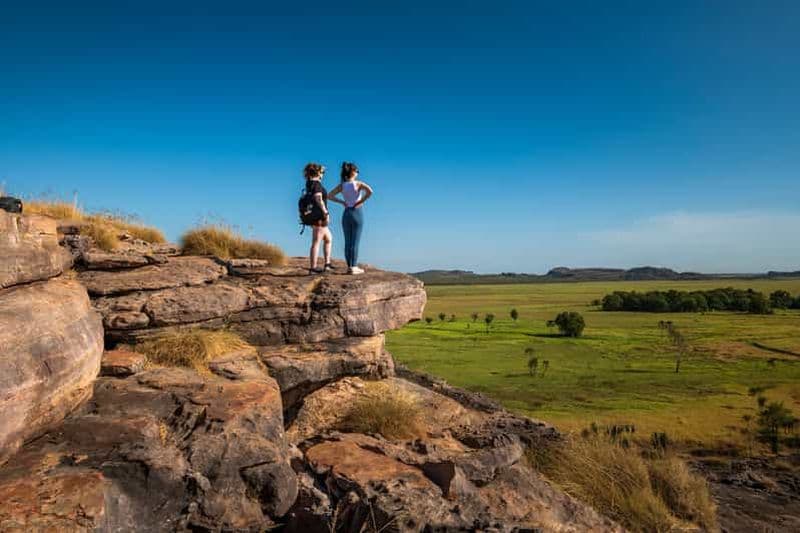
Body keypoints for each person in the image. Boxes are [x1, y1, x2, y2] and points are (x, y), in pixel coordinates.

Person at [328, 161, 373, 274]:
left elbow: (329, 196)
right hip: (357, 212)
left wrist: (342, 202)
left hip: (346, 213)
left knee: (347, 241)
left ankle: (349, 266)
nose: (358, 172)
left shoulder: (342, 185)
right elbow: (370, 191)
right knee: (355, 241)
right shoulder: (358, 184)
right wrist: (361, 201)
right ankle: (353, 267)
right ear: (352, 172)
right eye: (357, 171)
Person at [303, 162, 335, 273]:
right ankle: (313, 268)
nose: (323, 174)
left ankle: (327, 264)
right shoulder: (316, 184)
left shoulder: (309, 183)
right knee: (316, 242)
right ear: (317, 173)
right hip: (319, 217)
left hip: (314, 215)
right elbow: (318, 199)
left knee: (328, 238)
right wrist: (326, 213)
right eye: (322, 172)